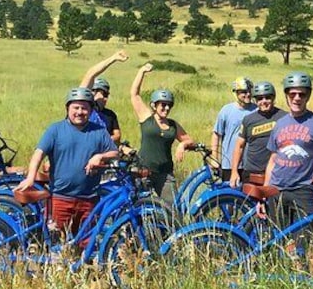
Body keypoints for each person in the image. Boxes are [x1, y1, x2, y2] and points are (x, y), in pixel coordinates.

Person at [14, 87, 119, 236]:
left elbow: (114, 152)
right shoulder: (55, 130)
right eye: (76, 107)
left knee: (87, 243)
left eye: (84, 108)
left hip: (89, 199)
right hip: (60, 198)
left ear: (90, 110)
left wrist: (101, 156)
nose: (80, 112)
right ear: (67, 108)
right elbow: (39, 153)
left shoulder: (99, 131)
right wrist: (30, 178)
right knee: (59, 242)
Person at [262, 72, 313, 226]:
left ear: (308, 96)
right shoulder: (279, 124)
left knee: (306, 238)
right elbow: (273, 159)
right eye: (292, 93)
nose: (297, 98)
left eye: (302, 94)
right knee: (280, 237)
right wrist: (265, 191)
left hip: (303, 189)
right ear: (286, 95)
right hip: (276, 188)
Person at [130, 63, 195, 203]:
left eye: (169, 105)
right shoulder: (146, 117)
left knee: (172, 210)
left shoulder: (173, 125)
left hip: (165, 174)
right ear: (154, 105)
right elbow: (134, 94)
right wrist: (141, 71)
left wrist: (182, 145)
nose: (166, 108)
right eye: (162, 105)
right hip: (143, 171)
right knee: (140, 207)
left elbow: (189, 140)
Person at [229, 81, 286, 188]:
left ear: (273, 98)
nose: (264, 101)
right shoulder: (248, 120)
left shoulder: (284, 118)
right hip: (251, 173)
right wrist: (234, 172)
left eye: (267, 97)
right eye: (260, 98)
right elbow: (239, 146)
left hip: (277, 173)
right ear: (255, 100)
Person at [212, 77, 257, 182]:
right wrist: (215, 158)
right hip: (229, 164)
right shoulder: (226, 111)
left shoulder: (257, 110)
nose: (248, 94)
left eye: (249, 91)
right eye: (243, 92)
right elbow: (216, 134)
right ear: (236, 93)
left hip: (250, 165)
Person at [80, 50, 130, 143]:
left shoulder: (109, 114)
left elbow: (117, 135)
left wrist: (102, 141)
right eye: (103, 94)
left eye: (106, 94)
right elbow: (90, 74)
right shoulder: (82, 108)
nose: (105, 98)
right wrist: (113, 58)